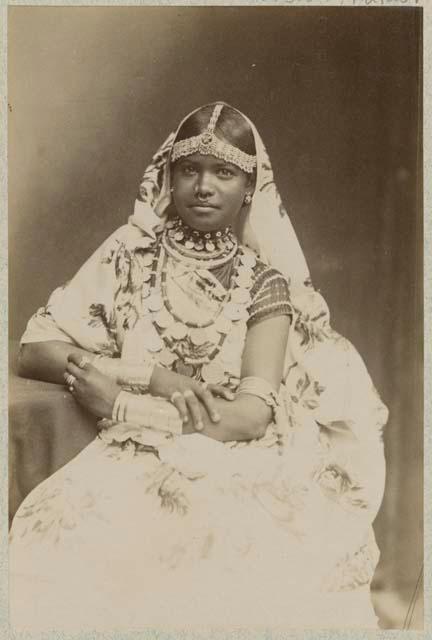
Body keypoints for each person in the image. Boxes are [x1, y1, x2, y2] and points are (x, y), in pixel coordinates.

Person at [9, 102, 388, 631]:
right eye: (190, 170)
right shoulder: (130, 253)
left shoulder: (265, 285)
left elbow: (250, 417)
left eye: (224, 172)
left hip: (233, 459)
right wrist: (151, 377)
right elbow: (35, 347)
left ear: (249, 187)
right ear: (169, 176)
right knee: (72, 545)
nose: (204, 186)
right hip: (127, 455)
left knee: (225, 561)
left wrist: (121, 403)